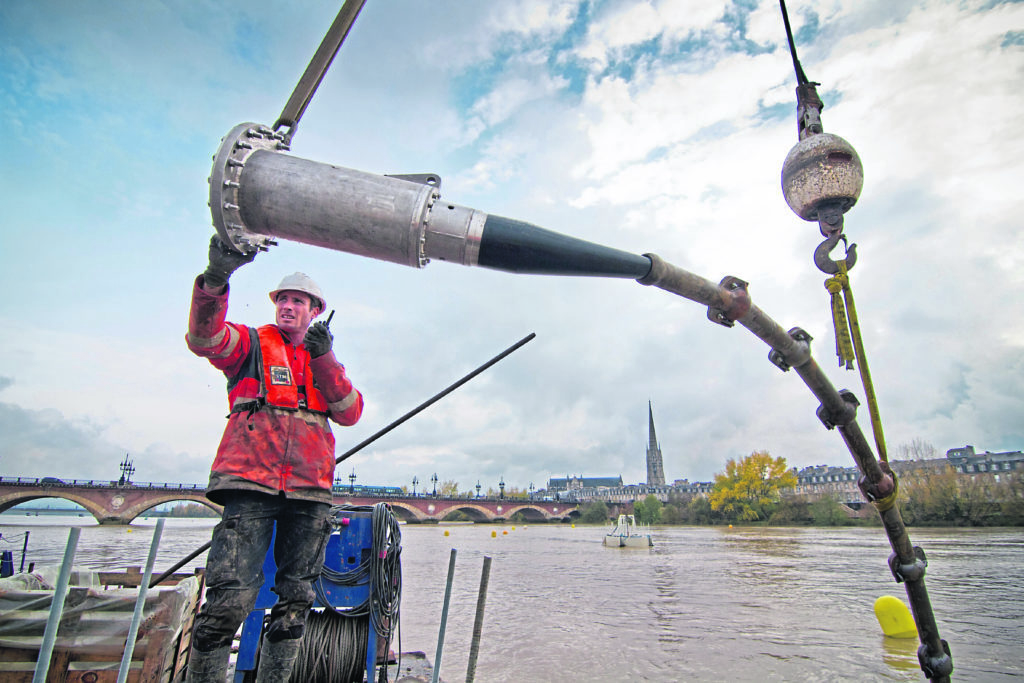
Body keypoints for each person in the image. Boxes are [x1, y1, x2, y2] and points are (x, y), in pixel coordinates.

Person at [184, 236, 363, 683]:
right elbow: (204, 339)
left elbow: (350, 412)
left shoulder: (322, 359)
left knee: (295, 603)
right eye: (282, 299)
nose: (287, 306)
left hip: (309, 490)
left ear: (315, 310)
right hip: (250, 484)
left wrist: (325, 359)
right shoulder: (249, 345)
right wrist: (214, 280)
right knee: (227, 601)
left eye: (297, 301)